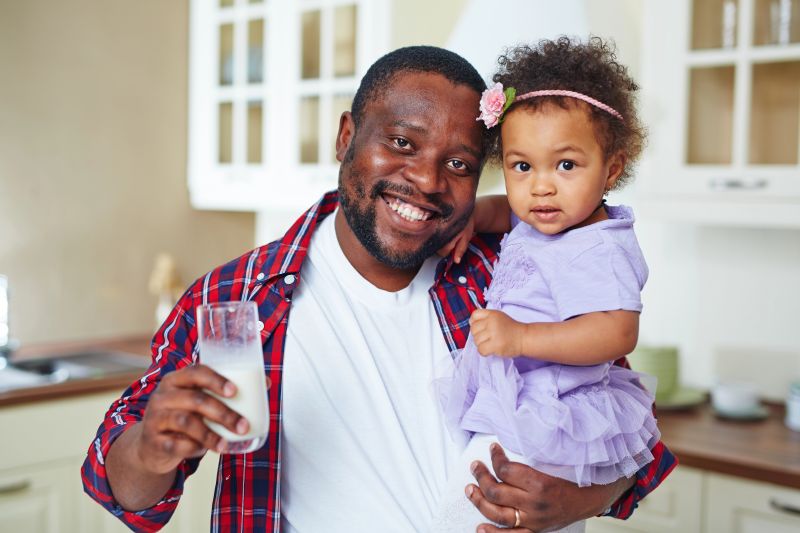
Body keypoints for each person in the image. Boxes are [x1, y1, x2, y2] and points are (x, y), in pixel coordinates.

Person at [81, 45, 676, 532]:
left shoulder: (514, 273)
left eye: (460, 164)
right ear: (347, 138)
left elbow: (628, 436)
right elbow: (121, 488)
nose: (425, 180)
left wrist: (584, 498)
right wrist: (153, 447)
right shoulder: (235, 298)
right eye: (402, 143)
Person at [431, 37, 662, 532]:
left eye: (566, 165)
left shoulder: (600, 245)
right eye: (522, 166)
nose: (541, 186)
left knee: (470, 511)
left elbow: (617, 332)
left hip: (554, 414)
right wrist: (473, 216)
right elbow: (505, 212)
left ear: (612, 169)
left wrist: (522, 338)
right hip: (521, 404)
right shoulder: (544, 220)